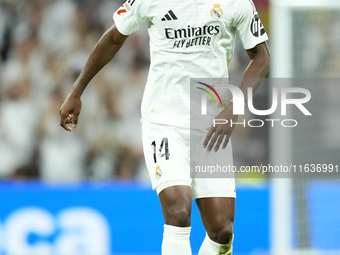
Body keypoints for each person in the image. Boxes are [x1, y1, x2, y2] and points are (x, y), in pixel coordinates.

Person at [59, 0, 270, 254]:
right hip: (164, 119)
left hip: (211, 125)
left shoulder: (237, 3)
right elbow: (114, 37)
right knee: (179, 213)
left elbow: (261, 56)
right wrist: (77, 90)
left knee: (222, 231)